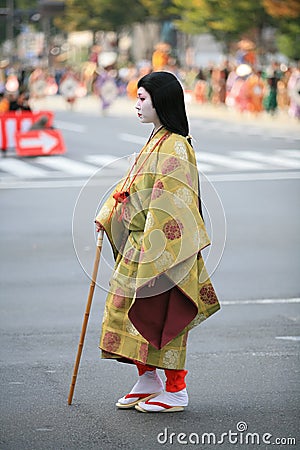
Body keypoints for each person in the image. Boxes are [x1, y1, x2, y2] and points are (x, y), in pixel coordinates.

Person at [95, 71, 220, 413]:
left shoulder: (175, 144)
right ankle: (148, 379)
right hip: (143, 245)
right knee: (125, 312)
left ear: (160, 102)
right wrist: (107, 214)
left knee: (163, 315)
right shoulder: (156, 139)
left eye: (142, 98)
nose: (136, 105)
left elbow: (173, 202)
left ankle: (176, 389)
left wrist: (153, 246)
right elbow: (131, 185)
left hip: (163, 250)